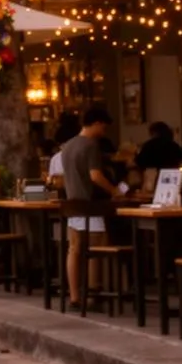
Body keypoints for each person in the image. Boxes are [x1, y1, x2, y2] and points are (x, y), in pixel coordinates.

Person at [60, 107, 125, 308]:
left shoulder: (67, 146)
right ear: (96, 123)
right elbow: (95, 175)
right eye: (103, 127)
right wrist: (114, 190)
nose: (104, 131)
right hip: (90, 204)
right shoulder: (90, 145)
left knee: (74, 249)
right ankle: (93, 293)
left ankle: (74, 296)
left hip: (72, 203)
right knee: (96, 248)